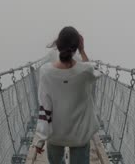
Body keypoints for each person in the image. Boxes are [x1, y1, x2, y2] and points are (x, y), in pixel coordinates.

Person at [35, 26, 100, 164]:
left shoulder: (45, 72)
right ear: (77, 47)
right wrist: (82, 51)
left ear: (58, 46)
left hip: (55, 135)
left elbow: (44, 108)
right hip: (80, 136)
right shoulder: (85, 71)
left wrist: (40, 140)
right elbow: (95, 71)